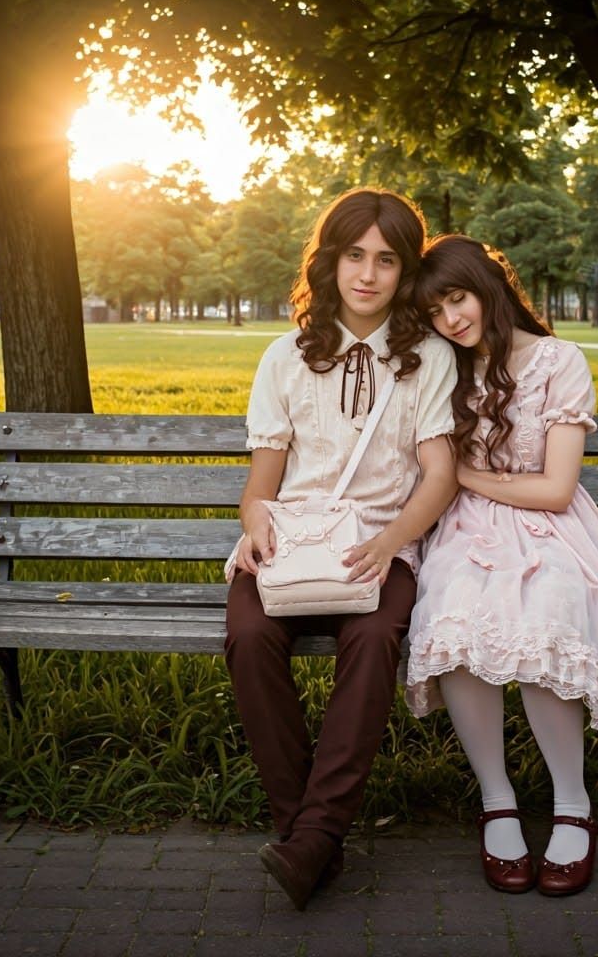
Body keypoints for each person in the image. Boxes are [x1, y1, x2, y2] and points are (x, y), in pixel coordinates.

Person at [405, 235, 598, 897]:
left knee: (549, 613)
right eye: (434, 313)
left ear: (489, 286)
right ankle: (497, 801)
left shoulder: (558, 361)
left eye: (457, 299)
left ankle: (573, 802)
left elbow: (557, 489)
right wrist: (461, 484)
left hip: (553, 527)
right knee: (457, 617)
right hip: (466, 529)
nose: (450, 320)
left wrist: (466, 476)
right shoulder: (442, 369)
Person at [223, 188, 457, 910]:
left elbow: (440, 473)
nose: (367, 273)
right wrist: (256, 524)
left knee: (376, 636)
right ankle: (309, 838)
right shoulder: (285, 357)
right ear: (330, 261)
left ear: (405, 270)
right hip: (292, 546)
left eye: (386, 260)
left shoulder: (428, 357)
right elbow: (261, 485)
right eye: (354, 255)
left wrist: (390, 542)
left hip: (380, 549)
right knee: (249, 636)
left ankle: (312, 838)